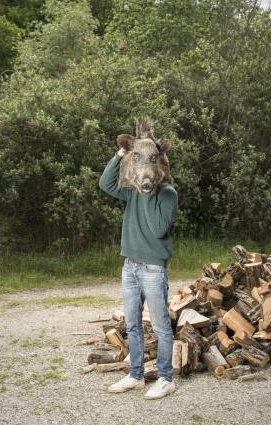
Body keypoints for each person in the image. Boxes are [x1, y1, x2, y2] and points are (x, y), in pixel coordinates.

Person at [98, 146, 178, 400]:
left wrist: (148, 189)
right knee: (132, 324)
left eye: (151, 164)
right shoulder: (131, 191)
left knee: (160, 326)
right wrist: (120, 155)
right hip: (129, 266)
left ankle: (166, 379)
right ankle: (136, 375)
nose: (145, 169)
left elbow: (157, 230)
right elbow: (105, 183)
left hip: (153, 268)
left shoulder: (167, 194)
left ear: (158, 166)